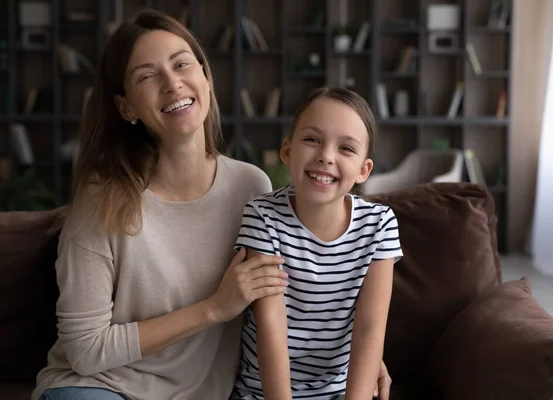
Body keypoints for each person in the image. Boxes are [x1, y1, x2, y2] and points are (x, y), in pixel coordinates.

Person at [31, 9, 393, 400]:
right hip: (100, 388)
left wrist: (362, 357)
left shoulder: (250, 188)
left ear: (205, 77)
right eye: (147, 76)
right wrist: (215, 308)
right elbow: (84, 351)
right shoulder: (101, 199)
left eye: (182, 64)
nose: (172, 83)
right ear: (126, 107)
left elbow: (303, 297)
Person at [230, 88, 403, 400]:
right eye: (312, 140)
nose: (326, 155)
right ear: (287, 150)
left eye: (346, 148)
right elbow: (272, 330)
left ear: (364, 171)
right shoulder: (262, 216)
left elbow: (370, 330)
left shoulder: (380, 225)